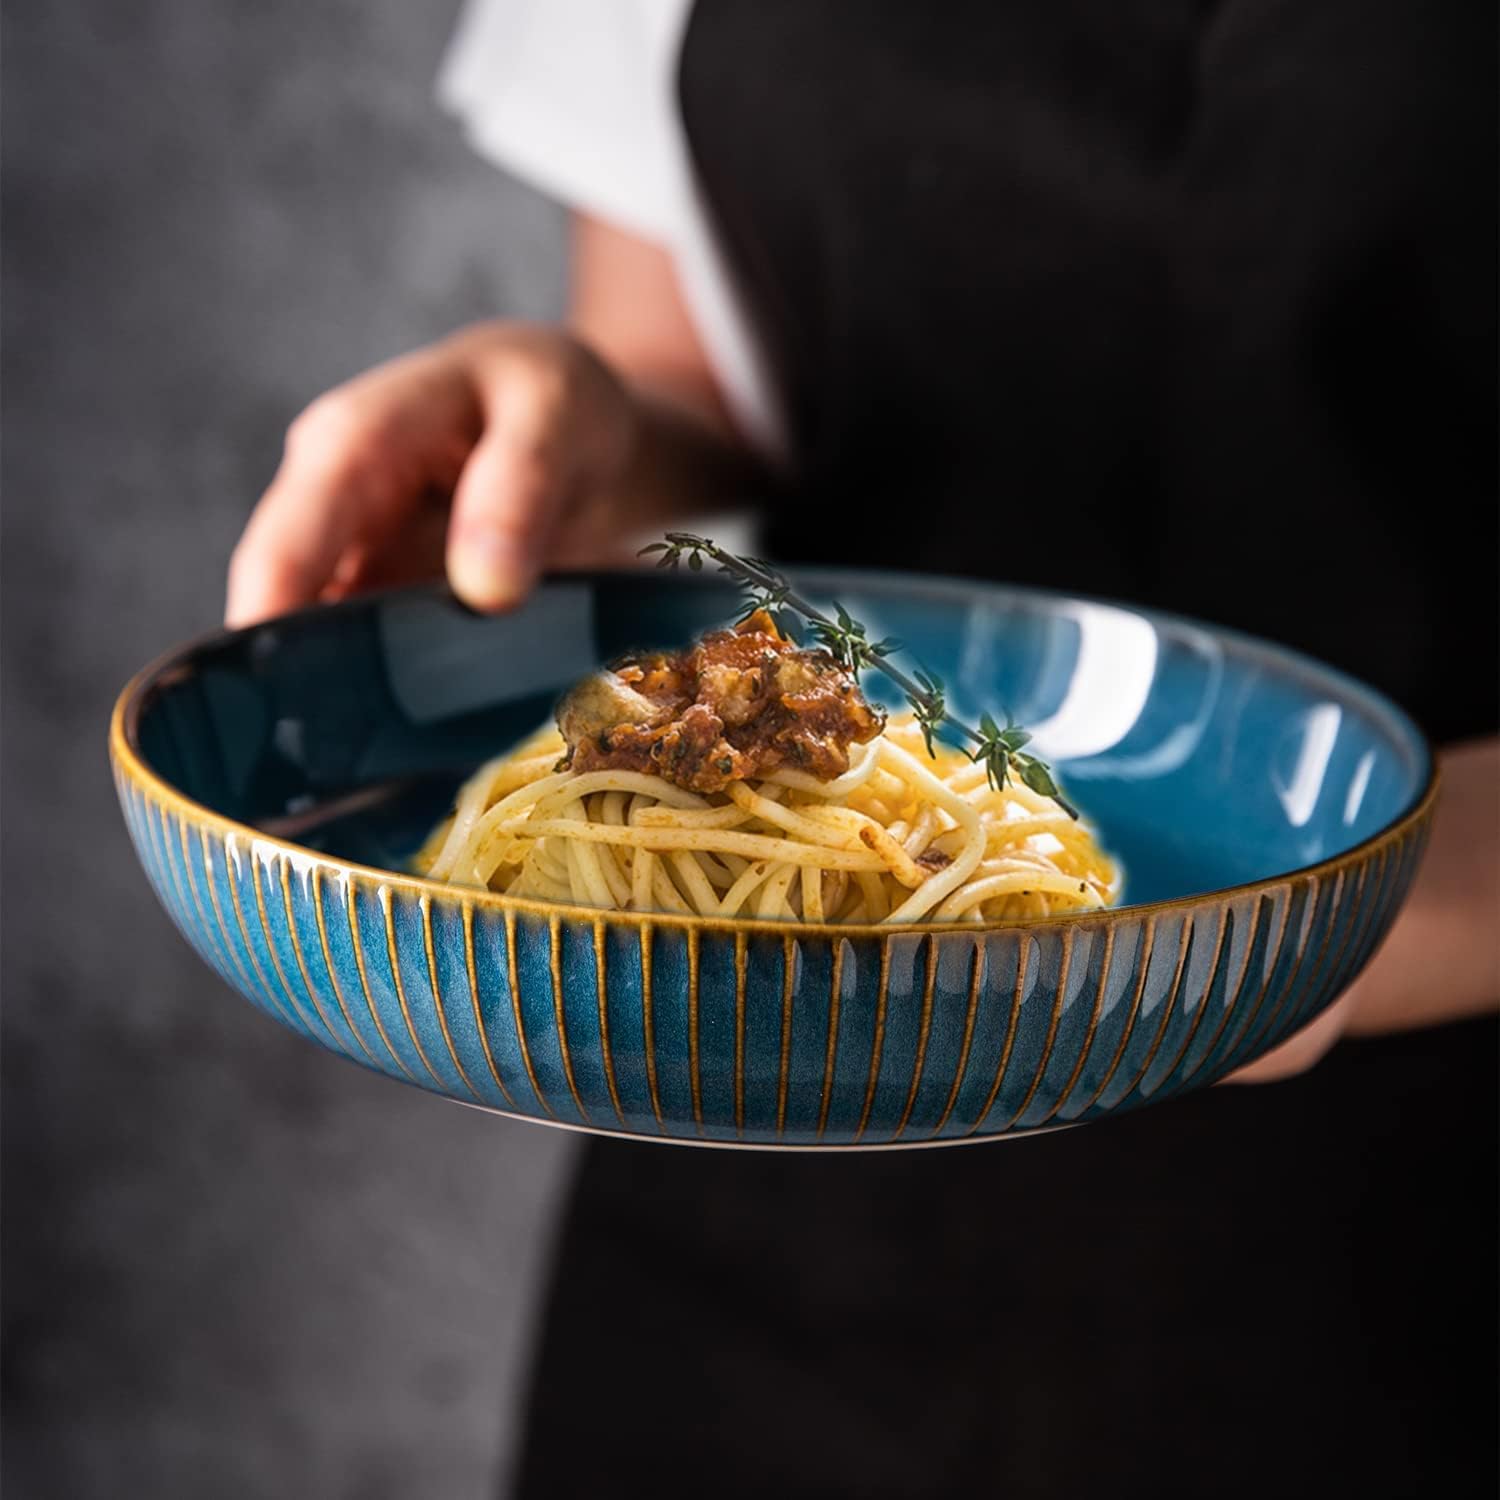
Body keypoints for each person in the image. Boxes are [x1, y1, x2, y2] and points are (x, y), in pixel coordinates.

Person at [226, 3, 1498, 1494]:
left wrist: (1314, 927)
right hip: (746, 1160)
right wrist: (580, 448)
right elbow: (694, 375)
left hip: (1432, 1236)